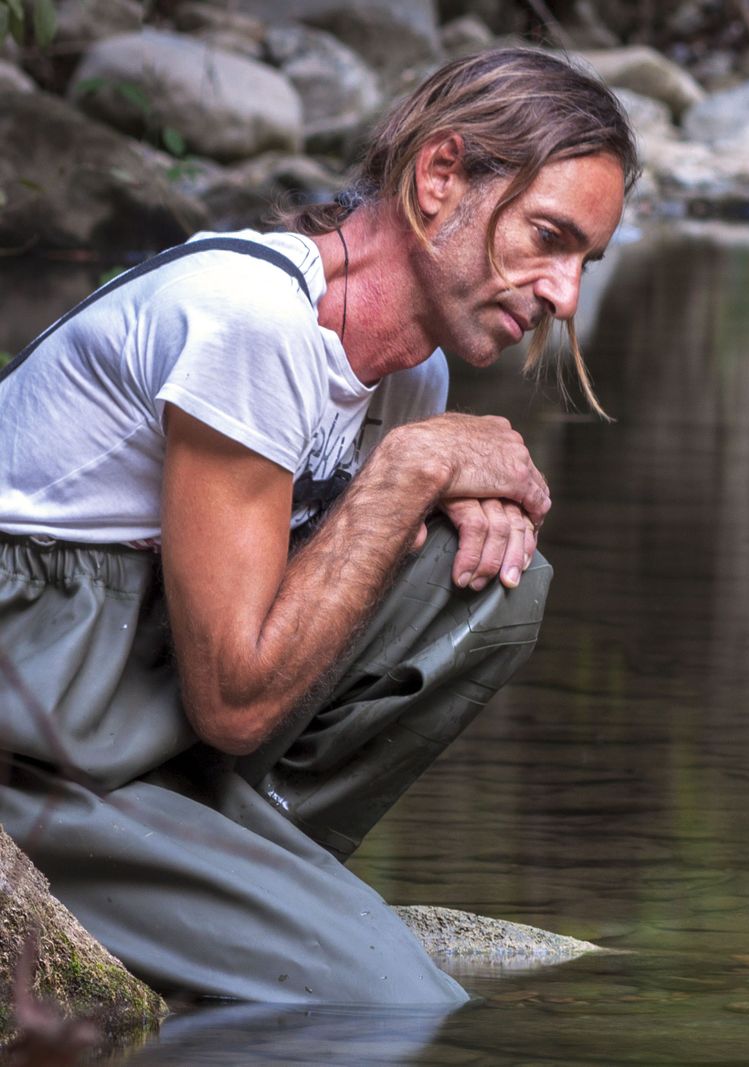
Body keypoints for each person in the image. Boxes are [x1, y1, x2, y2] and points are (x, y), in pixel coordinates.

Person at [0, 47, 638, 1005]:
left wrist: (415, 478)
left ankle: (236, 864)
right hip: (28, 737)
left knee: (489, 579)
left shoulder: (410, 376)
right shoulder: (252, 321)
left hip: (126, 725)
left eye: (585, 261)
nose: (565, 295)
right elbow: (234, 702)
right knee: (391, 999)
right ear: (440, 176)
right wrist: (411, 472)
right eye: (548, 237)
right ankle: (208, 891)